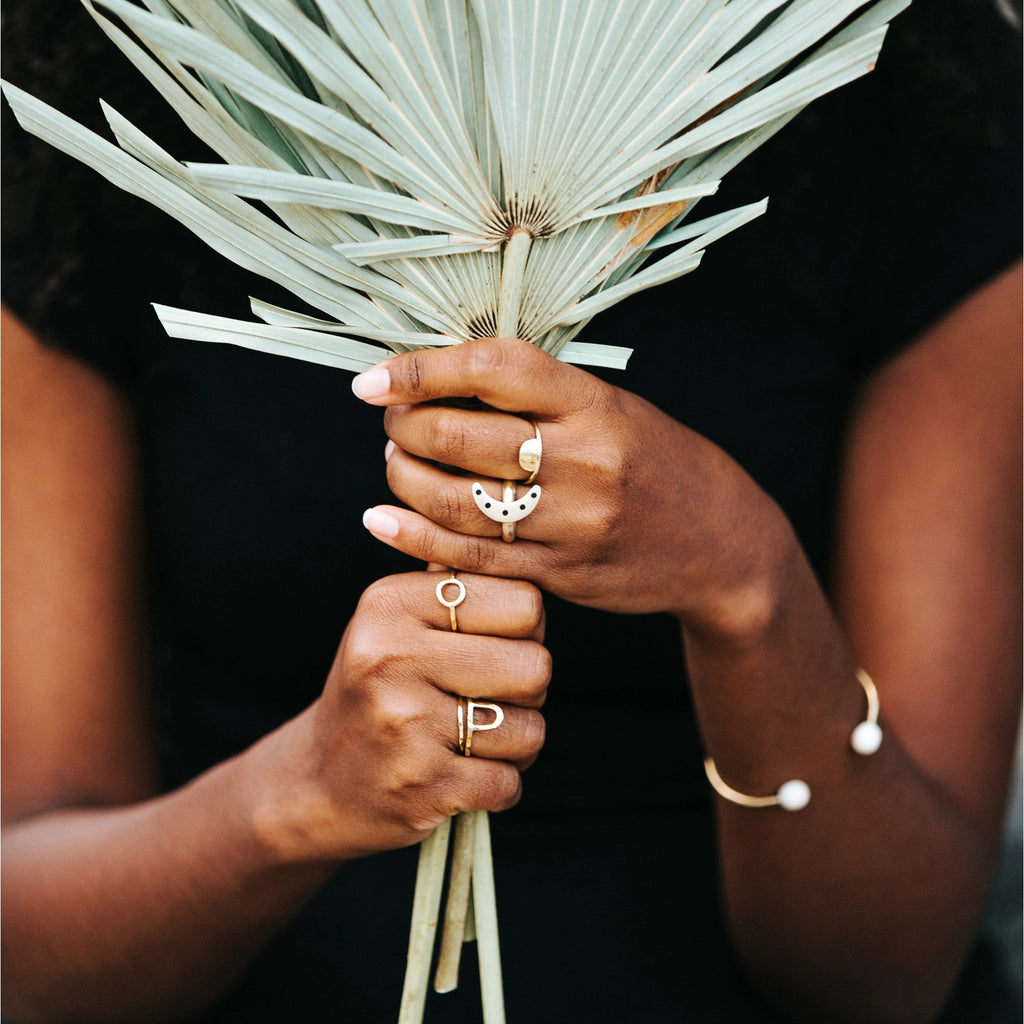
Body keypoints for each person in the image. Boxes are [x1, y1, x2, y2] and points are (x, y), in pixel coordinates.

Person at [2, 2, 1021, 1022]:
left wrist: (745, 582)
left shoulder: (899, 76)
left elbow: (887, 979)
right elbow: (30, 956)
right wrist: (298, 796)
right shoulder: (125, 64)